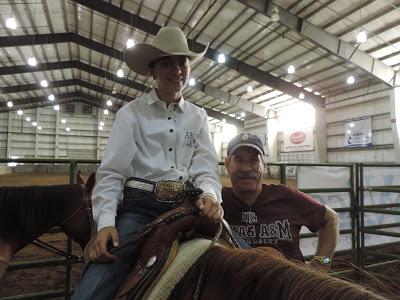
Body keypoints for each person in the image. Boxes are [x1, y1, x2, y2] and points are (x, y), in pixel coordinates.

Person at [72, 27, 223, 299]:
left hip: (186, 206)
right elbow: (111, 174)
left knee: (244, 257)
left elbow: (205, 166)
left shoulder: (199, 117)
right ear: (152, 71)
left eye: (182, 62)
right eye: (167, 63)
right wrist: (106, 223)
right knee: (97, 283)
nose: (177, 69)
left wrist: (211, 195)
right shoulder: (130, 115)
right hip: (140, 210)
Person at [222, 132, 339, 272]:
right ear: (227, 164)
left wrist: (322, 263)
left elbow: (331, 218)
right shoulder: (218, 200)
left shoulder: (286, 196)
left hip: (290, 289)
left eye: (254, 160)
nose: (247, 168)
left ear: (263, 165)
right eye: (239, 160)